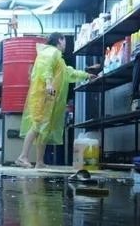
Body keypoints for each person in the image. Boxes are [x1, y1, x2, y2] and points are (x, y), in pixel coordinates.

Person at [15, 32, 95, 169]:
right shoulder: (51, 52)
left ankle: (39, 161)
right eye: (64, 41)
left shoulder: (58, 58)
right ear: (59, 40)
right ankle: (22, 157)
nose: (65, 45)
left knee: (44, 129)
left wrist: (86, 75)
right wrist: (48, 83)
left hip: (49, 97)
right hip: (43, 96)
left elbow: (69, 73)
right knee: (37, 126)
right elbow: (46, 67)